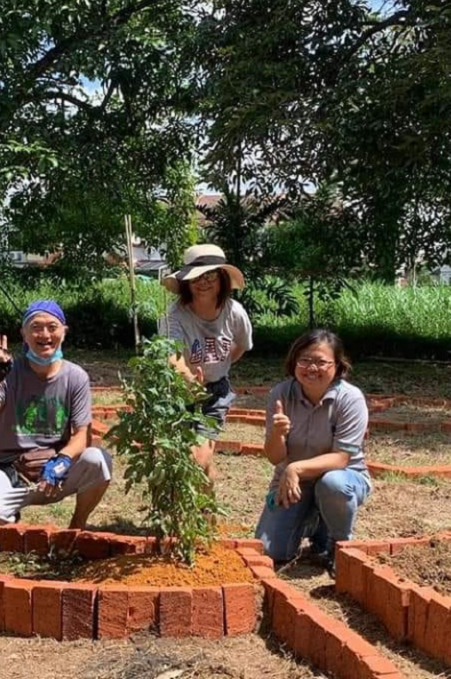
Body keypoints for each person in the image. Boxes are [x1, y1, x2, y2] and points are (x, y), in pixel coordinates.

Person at [0, 300, 112, 528]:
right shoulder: (10, 372)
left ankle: (77, 526)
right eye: (35, 327)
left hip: (56, 472)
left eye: (52, 327)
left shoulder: (75, 377)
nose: (44, 334)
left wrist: (62, 461)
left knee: (98, 461)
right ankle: (8, 514)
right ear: (24, 334)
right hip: (10, 470)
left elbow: (83, 434)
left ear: (64, 332)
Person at [254, 329, 371, 573]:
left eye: (321, 362)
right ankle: (313, 520)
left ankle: (339, 544)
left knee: (332, 485)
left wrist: (295, 467)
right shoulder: (280, 394)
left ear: (337, 366)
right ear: (294, 362)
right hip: (294, 482)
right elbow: (275, 457)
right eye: (304, 360)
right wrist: (277, 433)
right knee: (270, 550)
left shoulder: (351, 399)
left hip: (343, 477)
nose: (311, 368)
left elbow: (341, 458)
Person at [158, 244, 253, 479]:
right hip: (179, 392)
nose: (203, 282)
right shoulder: (174, 315)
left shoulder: (235, 312)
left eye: (209, 275)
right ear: (186, 283)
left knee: (198, 458)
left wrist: (220, 367)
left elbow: (241, 345)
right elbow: (173, 356)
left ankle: (204, 482)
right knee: (181, 459)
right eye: (196, 277)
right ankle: (205, 510)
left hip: (216, 393)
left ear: (221, 278)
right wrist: (189, 379)